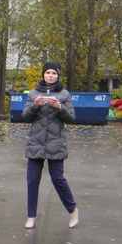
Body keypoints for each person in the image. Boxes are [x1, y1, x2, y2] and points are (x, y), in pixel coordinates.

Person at [21, 62, 78, 229]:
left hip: (56, 141)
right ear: (43, 75)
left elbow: (71, 118)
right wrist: (35, 106)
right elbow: (25, 117)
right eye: (48, 73)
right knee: (32, 180)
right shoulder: (33, 94)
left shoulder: (64, 94)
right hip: (36, 142)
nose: (50, 76)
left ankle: (72, 209)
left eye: (54, 73)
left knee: (58, 179)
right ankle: (31, 216)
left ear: (58, 75)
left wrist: (60, 107)